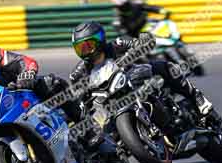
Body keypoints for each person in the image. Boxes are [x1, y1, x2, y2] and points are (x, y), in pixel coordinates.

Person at [68, 22, 213, 144]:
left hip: (133, 78)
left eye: (88, 45)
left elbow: (138, 43)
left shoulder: (116, 45)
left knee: (163, 66)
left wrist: (140, 43)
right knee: (105, 134)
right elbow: (76, 94)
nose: (85, 51)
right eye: (80, 48)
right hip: (110, 99)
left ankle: (196, 97)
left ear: (100, 40)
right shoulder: (79, 72)